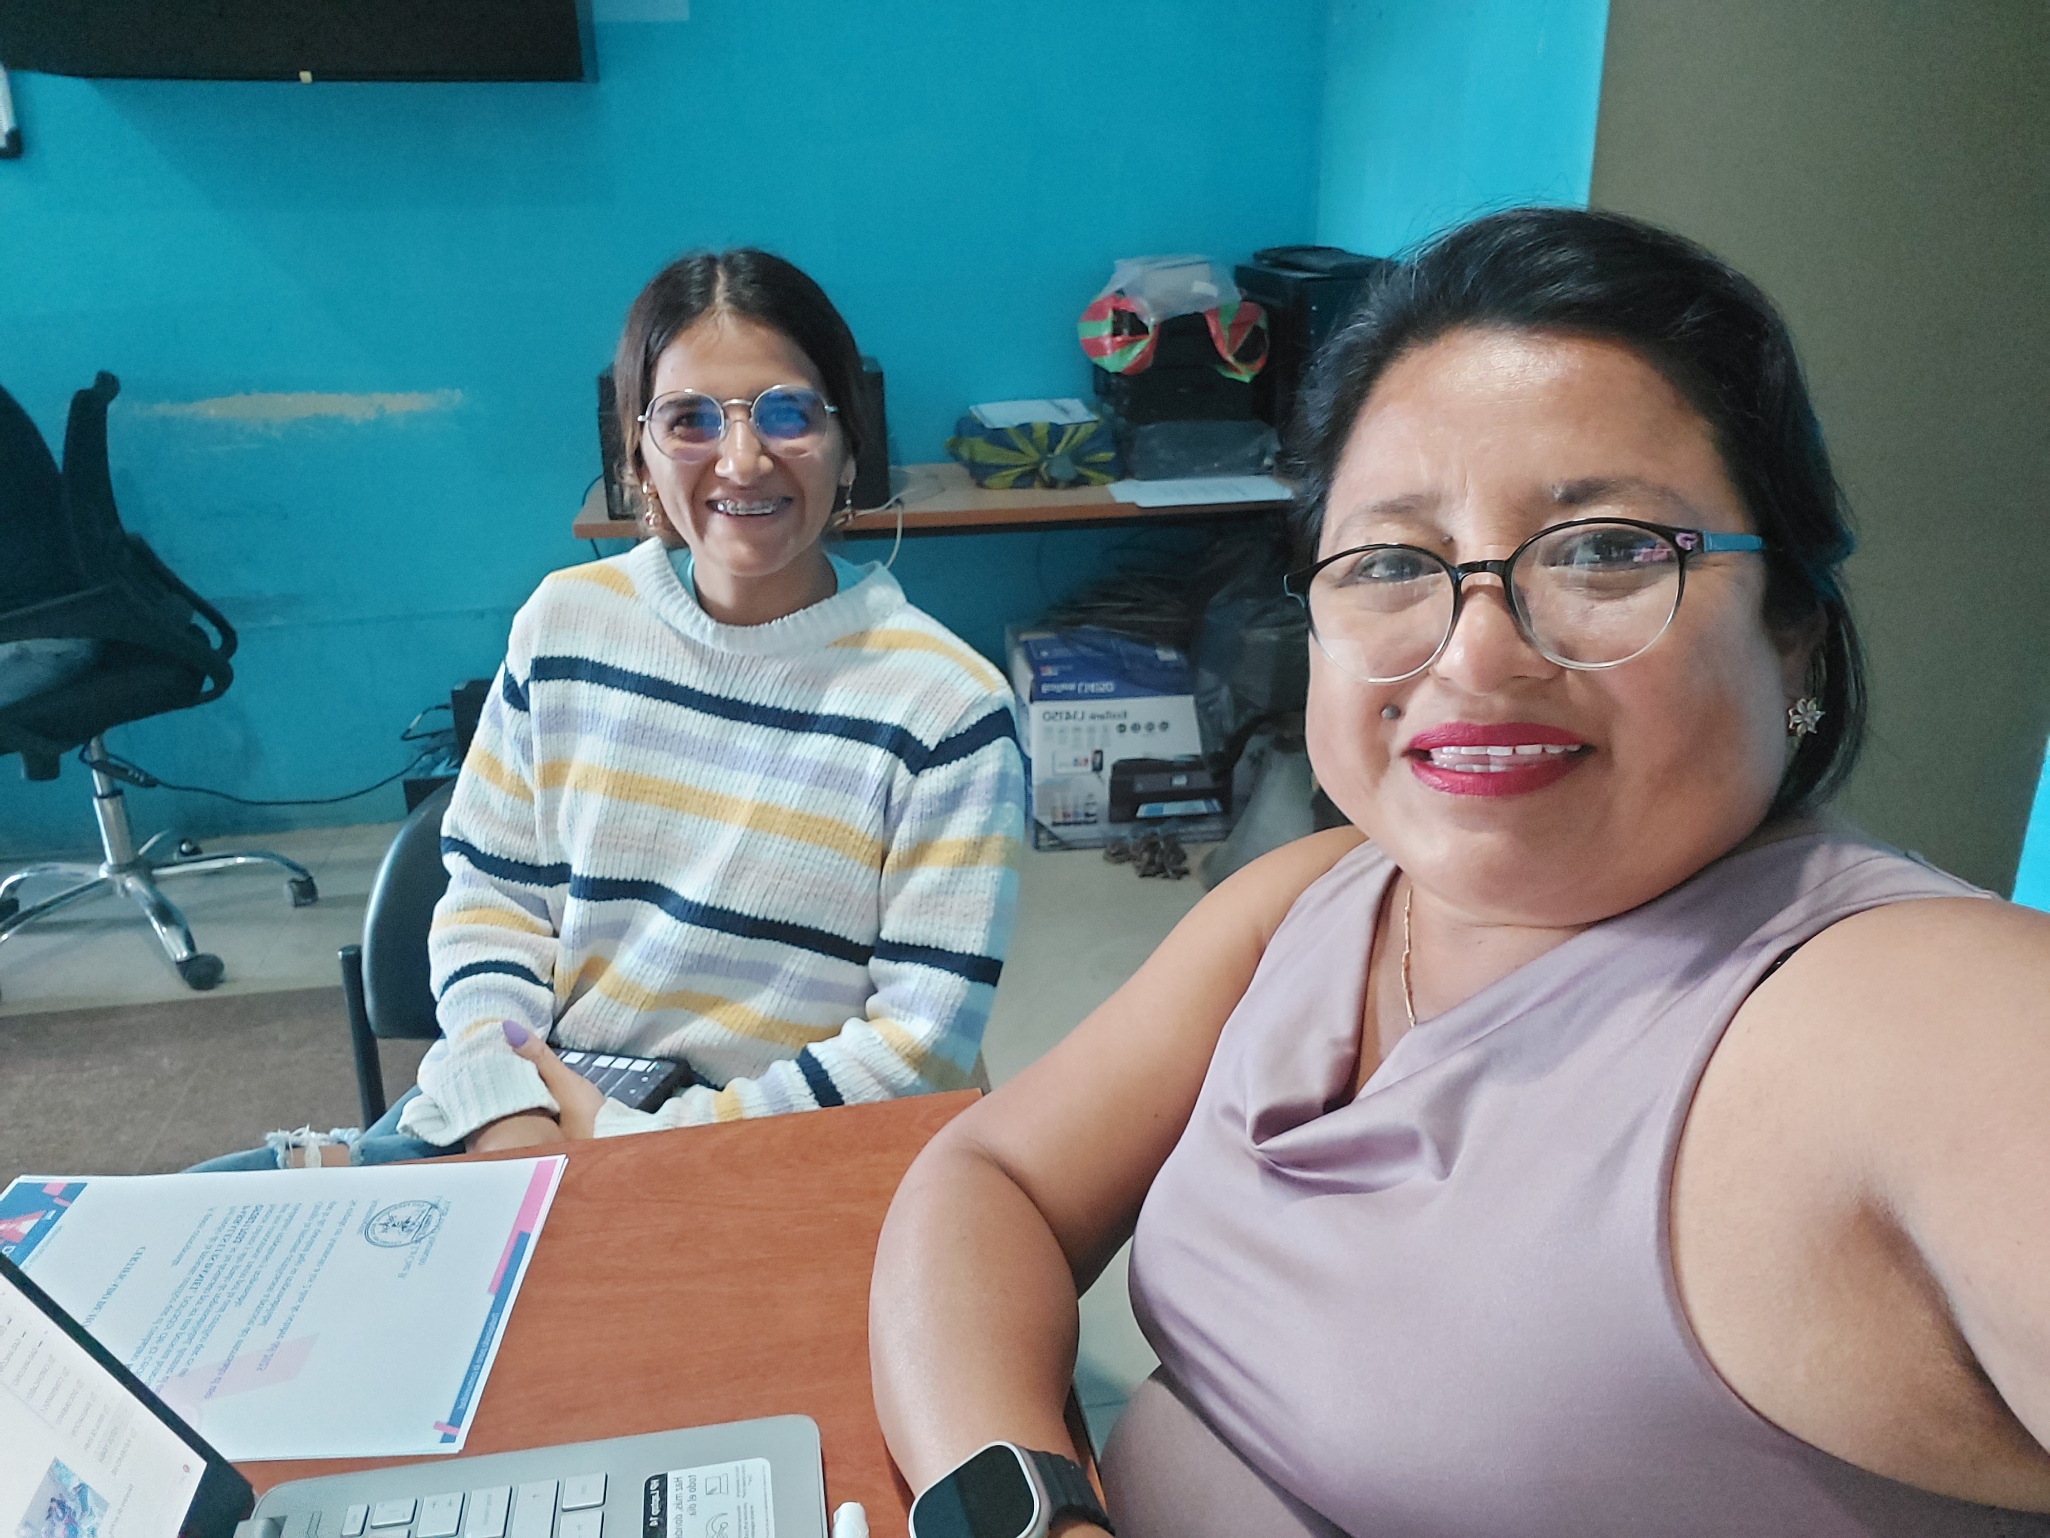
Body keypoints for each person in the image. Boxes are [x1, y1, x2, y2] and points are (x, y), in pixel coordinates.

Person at [867, 208, 2050, 1536]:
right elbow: (991, 1182)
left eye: (1605, 547)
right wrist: (1028, 1512)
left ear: (1794, 639)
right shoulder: (1313, 898)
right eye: (1390, 563)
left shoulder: (1921, 1016)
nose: (1474, 654)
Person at [199, 248, 1024, 1170]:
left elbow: (918, 1045)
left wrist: (632, 1145)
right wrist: (508, 1111)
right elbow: (492, 901)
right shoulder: (567, 624)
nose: (742, 459)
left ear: (849, 441)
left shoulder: (946, 709)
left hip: (758, 1158)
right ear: (637, 455)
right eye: (689, 419)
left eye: (787, 413)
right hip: (524, 1108)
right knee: (153, 1236)